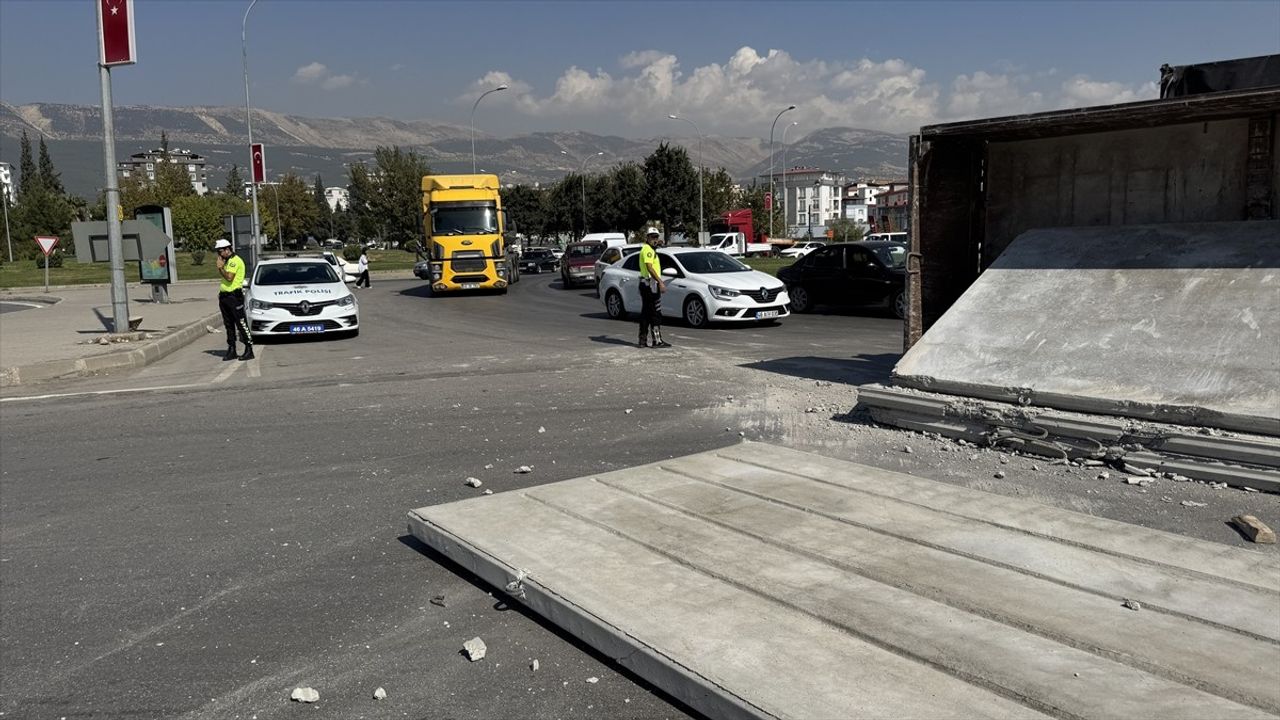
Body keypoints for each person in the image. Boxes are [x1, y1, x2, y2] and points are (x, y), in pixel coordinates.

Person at [214, 239, 254, 361]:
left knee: (241, 323)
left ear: (227, 249)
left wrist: (220, 269)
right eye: (218, 252)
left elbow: (229, 278)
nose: (219, 255)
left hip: (234, 297)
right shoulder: (227, 261)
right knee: (228, 324)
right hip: (225, 296)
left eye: (221, 251)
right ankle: (231, 349)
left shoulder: (234, 261)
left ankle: (249, 348)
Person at [637, 227, 672, 348]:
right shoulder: (648, 250)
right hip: (650, 284)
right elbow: (649, 267)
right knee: (655, 313)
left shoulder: (649, 249)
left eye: (656, 237)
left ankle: (642, 340)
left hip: (646, 284)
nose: (655, 239)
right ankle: (657, 340)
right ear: (647, 238)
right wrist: (660, 282)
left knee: (646, 313)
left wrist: (658, 244)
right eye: (652, 237)